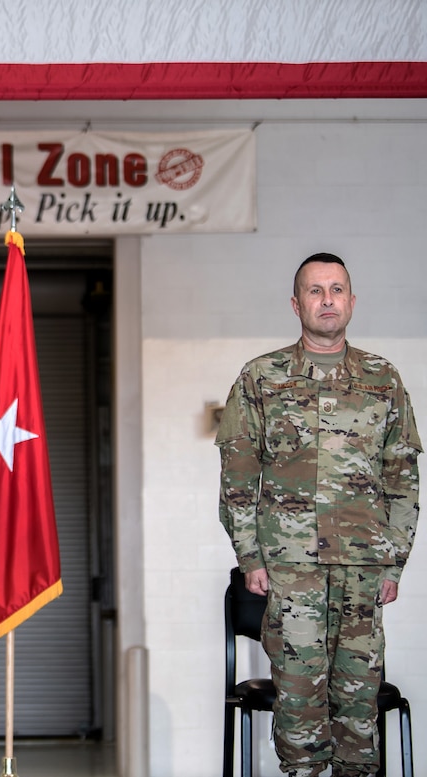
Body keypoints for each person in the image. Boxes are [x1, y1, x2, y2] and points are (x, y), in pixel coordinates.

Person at [216, 252, 421, 777]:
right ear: (295, 303)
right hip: (291, 572)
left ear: (351, 301)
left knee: (359, 716)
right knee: (300, 712)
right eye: (314, 290)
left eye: (336, 290)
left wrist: (394, 564)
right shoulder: (261, 377)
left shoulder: (383, 378)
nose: (326, 300)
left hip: (364, 572)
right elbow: (239, 474)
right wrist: (250, 557)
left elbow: (402, 478)